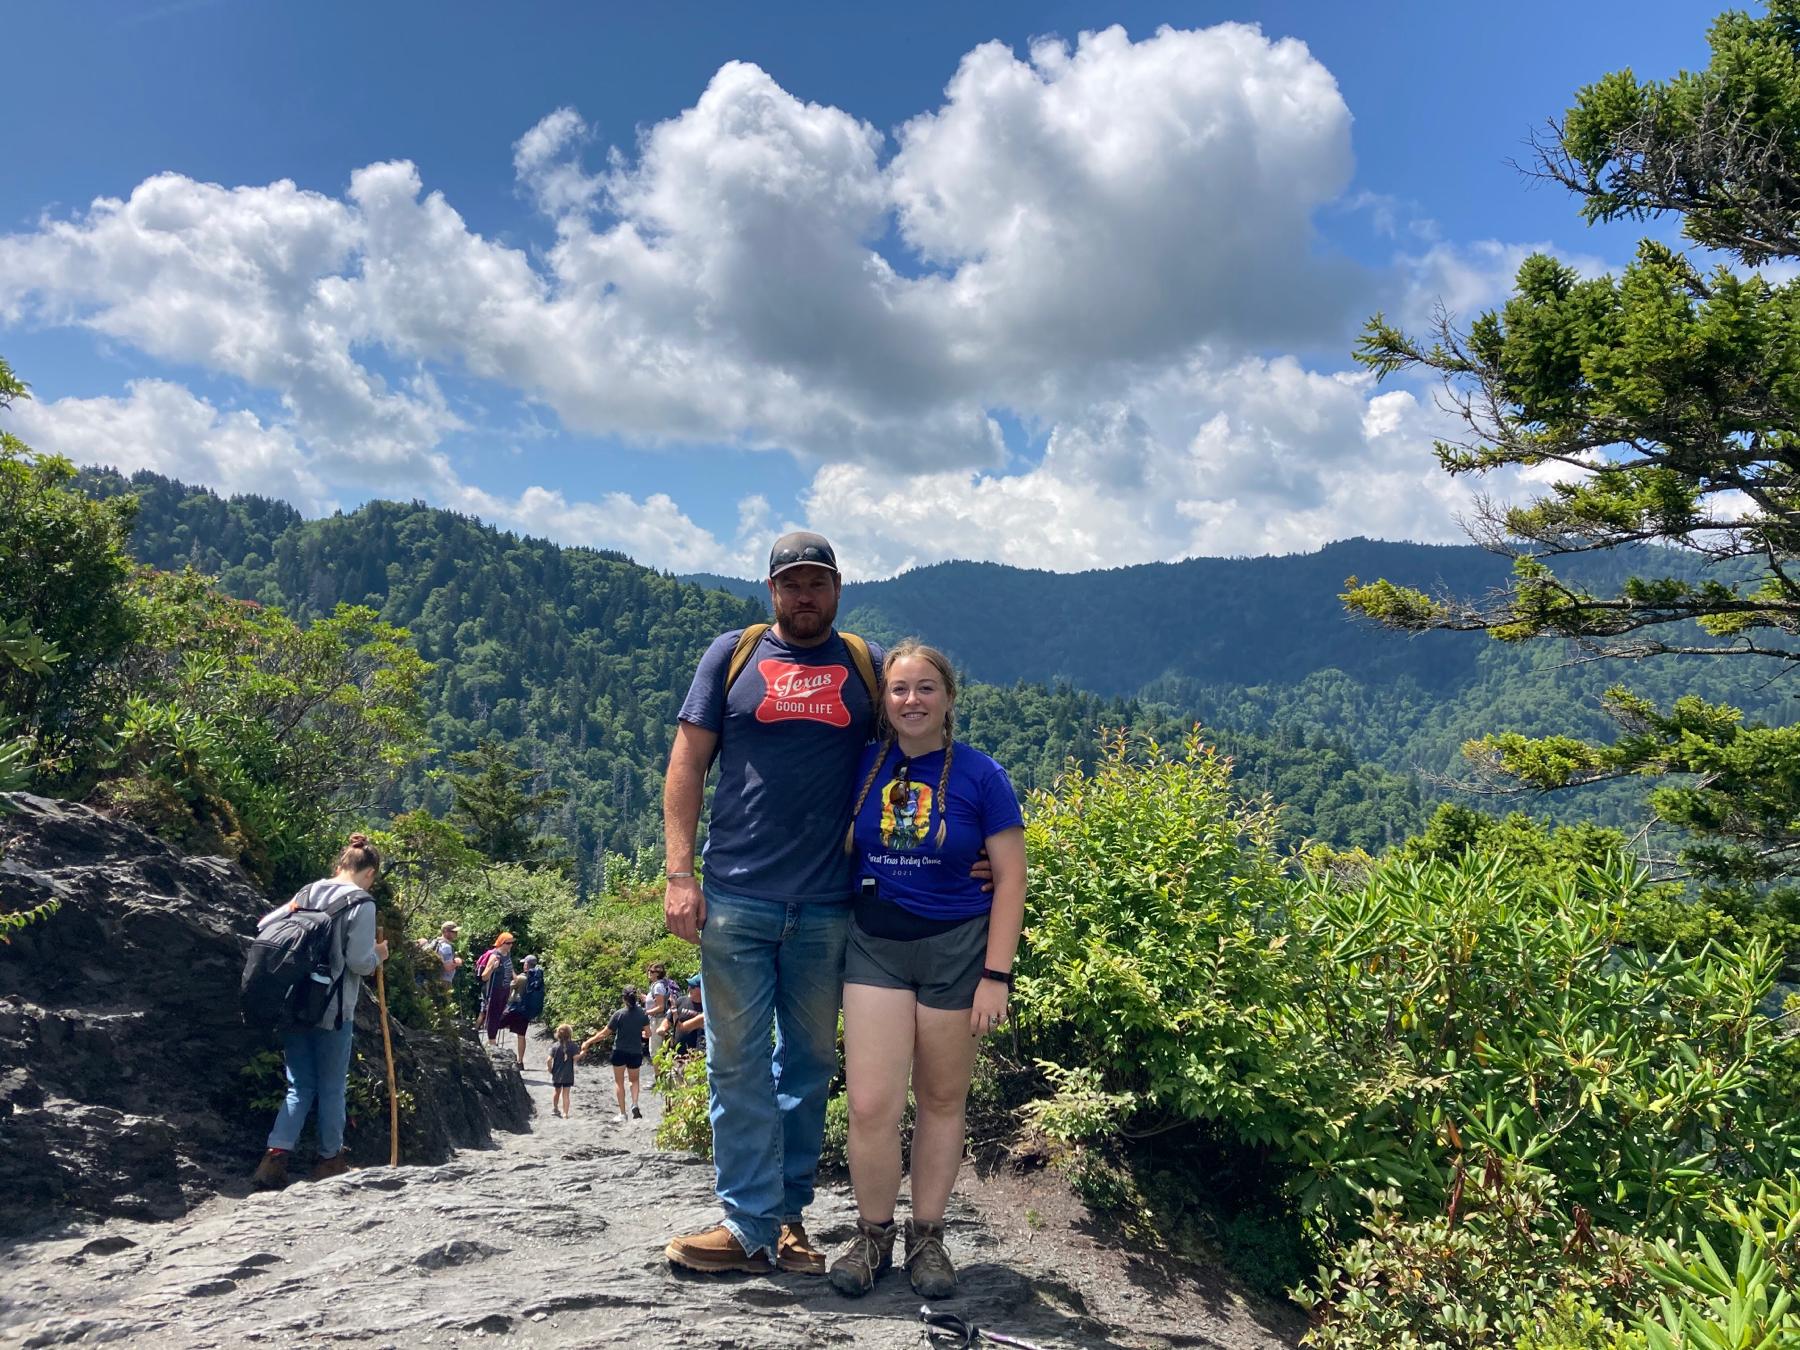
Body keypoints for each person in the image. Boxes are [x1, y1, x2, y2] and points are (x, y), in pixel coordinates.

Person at [661, 531, 884, 1276]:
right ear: (771, 589)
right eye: (792, 583)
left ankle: (787, 1219)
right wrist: (678, 874)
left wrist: (972, 843)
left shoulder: (865, 665)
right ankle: (748, 1221)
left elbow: (913, 756)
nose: (805, 595)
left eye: (817, 582)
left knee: (811, 1064)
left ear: (838, 588)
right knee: (736, 1064)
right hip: (734, 897)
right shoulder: (734, 655)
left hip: (828, 905)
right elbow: (688, 761)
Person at [826, 640, 1026, 1301]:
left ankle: (929, 1237)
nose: (912, 700)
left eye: (925, 689)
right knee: (870, 1104)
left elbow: (1011, 876)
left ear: (948, 699)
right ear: (883, 702)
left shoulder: (981, 775)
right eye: (899, 689)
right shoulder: (862, 766)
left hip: (958, 952)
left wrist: (996, 975)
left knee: (942, 1101)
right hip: (877, 945)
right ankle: (874, 1235)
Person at [251, 833, 390, 1188]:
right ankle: (329, 1160)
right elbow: (359, 963)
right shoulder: (362, 903)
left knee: (299, 1085)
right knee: (331, 1087)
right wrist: (380, 955)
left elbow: (265, 925)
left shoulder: (308, 891)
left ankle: (274, 1160)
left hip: (292, 1001)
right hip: (332, 1009)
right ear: (370, 872)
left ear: (342, 863)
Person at [581, 986, 651, 1122]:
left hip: (619, 1051)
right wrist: (640, 1033)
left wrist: (588, 1042)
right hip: (635, 1051)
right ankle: (635, 1104)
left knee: (619, 1082)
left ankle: (622, 1114)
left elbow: (604, 1034)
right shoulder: (642, 1014)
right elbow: (648, 1034)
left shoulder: (619, 1014)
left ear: (624, 998)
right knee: (634, 1080)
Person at [497, 954, 543, 1065]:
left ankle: (493, 1051)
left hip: (515, 1008)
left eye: (524, 964)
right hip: (526, 1011)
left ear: (527, 965)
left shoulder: (522, 978)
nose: (523, 965)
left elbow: (509, 986)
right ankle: (520, 1061)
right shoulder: (536, 978)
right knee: (521, 1035)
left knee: (495, 1025)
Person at [476, 931, 516, 1046]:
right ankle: (492, 1041)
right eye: (508, 943)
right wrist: (493, 968)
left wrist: (514, 976)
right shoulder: (494, 956)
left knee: (499, 1014)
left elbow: (509, 965)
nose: (511, 945)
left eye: (512, 943)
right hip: (494, 990)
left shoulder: (507, 954)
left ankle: (490, 1039)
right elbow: (484, 977)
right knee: (493, 1015)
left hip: (505, 989)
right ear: (502, 943)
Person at [644, 962, 680, 1065]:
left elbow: (660, 1007)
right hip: (662, 1019)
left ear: (657, 974)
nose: (649, 973)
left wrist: (646, 1012)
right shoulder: (662, 984)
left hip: (658, 1020)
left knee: (655, 1052)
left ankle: (659, 1077)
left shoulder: (658, 987)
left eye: (651, 971)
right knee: (664, 1049)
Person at [669, 973, 706, 1056]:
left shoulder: (706, 1013)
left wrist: (674, 1011)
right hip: (680, 1053)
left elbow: (681, 1028)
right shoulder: (682, 1000)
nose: (689, 989)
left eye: (692, 987)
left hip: (697, 1055)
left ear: (702, 989)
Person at [547, 1023, 578, 1118]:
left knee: (557, 1092)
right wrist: (583, 1052)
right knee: (566, 1094)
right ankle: (565, 1113)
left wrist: (550, 1069)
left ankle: (555, 1108)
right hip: (568, 1074)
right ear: (570, 1034)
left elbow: (548, 1060)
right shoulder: (573, 1046)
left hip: (557, 1074)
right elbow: (576, 1058)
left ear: (558, 1035)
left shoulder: (554, 1046)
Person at [433, 921, 462, 987]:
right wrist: (457, 962)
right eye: (454, 932)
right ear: (446, 932)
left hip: (434, 979)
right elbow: (447, 967)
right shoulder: (446, 946)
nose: (456, 934)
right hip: (443, 982)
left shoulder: (436, 942)